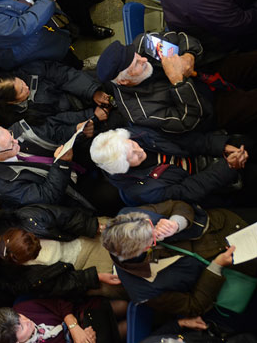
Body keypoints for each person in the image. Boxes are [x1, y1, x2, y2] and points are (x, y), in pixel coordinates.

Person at [101, 200, 256, 330]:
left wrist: (176, 223)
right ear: (143, 249)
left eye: (149, 224)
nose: (156, 230)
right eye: (152, 240)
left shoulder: (127, 216)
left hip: (223, 227)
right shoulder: (143, 292)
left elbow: (178, 205)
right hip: (232, 268)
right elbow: (193, 306)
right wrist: (216, 267)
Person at [96, 33, 257, 134]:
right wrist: (178, 83)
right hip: (210, 107)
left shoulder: (144, 44)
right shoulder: (139, 112)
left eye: (138, 56)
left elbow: (181, 38)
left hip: (205, 70)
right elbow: (189, 121)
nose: (144, 59)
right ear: (124, 81)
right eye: (137, 64)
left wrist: (189, 55)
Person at [0, 206, 124, 299]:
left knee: (129, 232)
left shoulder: (26, 218)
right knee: (121, 282)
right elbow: (62, 284)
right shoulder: (24, 279)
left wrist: (94, 227)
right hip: (77, 267)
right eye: (35, 254)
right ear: (19, 262)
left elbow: (64, 217)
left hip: (81, 236)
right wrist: (96, 277)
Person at [90, 126, 252, 207]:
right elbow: (188, 190)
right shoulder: (141, 190)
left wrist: (220, 146)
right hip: (206, 178)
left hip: (203, 153)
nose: (138, 150)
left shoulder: (138, 133)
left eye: (132, 144)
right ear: (122, 167)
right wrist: (227, 167)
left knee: (245, 144)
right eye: (130, 155)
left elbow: (185, 140)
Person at [0, 125, 118, 212]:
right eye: (10, 144)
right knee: (113, 195)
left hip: (76, 161)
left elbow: (51, 132)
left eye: (10, 135)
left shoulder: (9, 135)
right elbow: (48, 197)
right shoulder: (4, 186)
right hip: (72, 191)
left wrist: (74, 129)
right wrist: (62, 165)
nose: (16, 140)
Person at [0, 60, 113, 140]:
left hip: (82, 90)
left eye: (21, 82)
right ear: (11, 102)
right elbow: (53, 129)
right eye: (21, 91)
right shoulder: (20, 120)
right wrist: (92, 116)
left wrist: (92, 91)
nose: (26, 87)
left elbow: (64, 74)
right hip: (83, 121)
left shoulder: (31, 70)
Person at [0, 299, 124, 343]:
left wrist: (74, 326)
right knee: (127, 328)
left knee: (123, 305)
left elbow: (60, 302)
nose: (26, 320)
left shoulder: (22, 308)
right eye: (21, 327)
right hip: (92, 339)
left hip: (81, 315)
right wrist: (83, 338)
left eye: (19, 317)